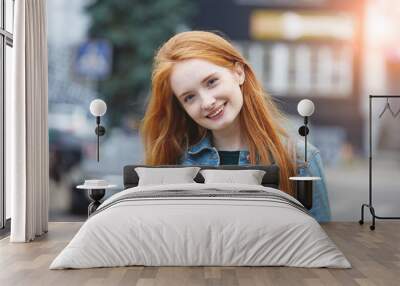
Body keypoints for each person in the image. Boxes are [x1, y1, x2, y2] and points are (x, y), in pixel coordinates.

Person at [141, 31, 331, 222]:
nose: (207, 102)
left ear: (238, 73)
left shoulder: (299, 160)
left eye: (211, 82)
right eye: (189, 97)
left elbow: (321, 241)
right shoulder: (174, 162)